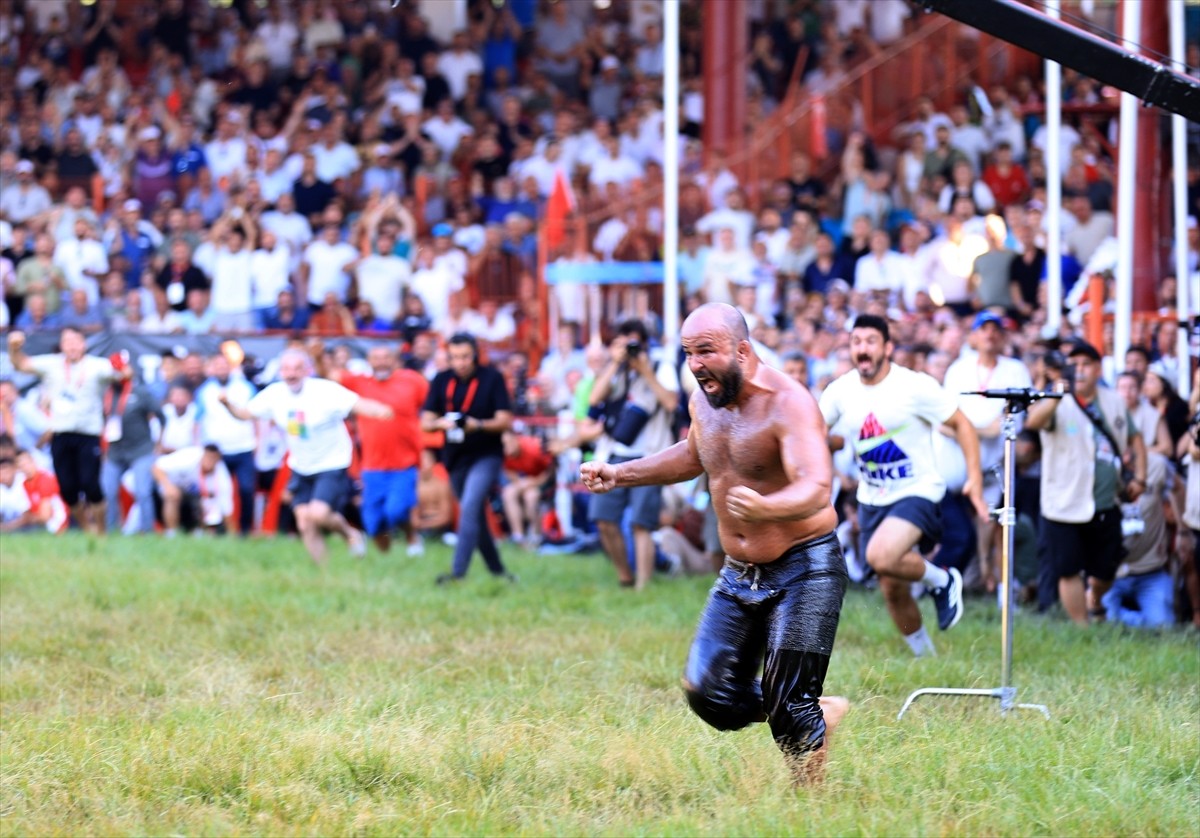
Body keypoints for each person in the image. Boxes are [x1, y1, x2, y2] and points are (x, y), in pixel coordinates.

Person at [581, 303, 849, 786]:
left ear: (742, 350)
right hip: (738, 572)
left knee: (789, 702)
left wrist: (766, 508)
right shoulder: (704, 401)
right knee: (710, 694)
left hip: (804, 566)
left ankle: (812, 804)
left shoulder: (789, 402)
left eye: (706, 351)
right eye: (688, 354)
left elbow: (815, 488)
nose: (696, 364)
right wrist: (620, 473)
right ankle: (813, 711)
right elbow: (692, 455)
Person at [818, 315, 987, 658]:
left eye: (870, 341)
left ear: (888, 348)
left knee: (880, 555)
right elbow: (814, 433)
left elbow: (963, 425)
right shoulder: (840, 391)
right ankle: (926, 657)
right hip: (871, 498)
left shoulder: (914, 386)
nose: (862, 348)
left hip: (918, 492)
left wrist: (975, 478)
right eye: (856, 341)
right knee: (892, 587)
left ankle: (943, 580)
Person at [216, 348, 393, 564]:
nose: (291, 374)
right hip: (301, 465)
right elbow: (245, 414)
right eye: (286, 369)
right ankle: (325, 573)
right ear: (280, 371)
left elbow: (358, 404)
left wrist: (380, 410)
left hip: (332, 463)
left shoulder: (324, 391)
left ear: (308, 370)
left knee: (318, 514)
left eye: (297, 368)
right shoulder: (274, 394)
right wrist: (227, 404)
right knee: (304, 521)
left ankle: (351, 534)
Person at [1025, 339, 1147, 624]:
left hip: (1106, 501)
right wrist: (1055, 395)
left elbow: (1135, 438)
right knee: (1067, 569)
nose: (1079, 370)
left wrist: (1140, 477)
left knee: (1107, 568)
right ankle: (1082, 629)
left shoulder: (1114, 400)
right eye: (1074, 364)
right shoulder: (1055, 399)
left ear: (1098, 369)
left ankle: (1095, 599)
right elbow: (1033, 422)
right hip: (1063, 503)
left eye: (1086, 364)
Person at [6, 328, 130, 533]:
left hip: (88, 434)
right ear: (62, 345)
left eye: (75, 340)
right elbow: (21, 364)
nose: (71, 345)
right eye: (67, 341)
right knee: (67, 489)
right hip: (60, 434)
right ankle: (87, 530)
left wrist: (122, 366)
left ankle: (101, 532)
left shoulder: (96, 365)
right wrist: (13, 348)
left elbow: (125, 375)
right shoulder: (52, 364)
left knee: (91, 485)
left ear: (83, 344)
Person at [586, 319, 680, 589]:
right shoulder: (616, 369)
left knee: (642, 522)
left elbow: (671, 402)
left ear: (645, 344)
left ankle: (643, 586)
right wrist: (615, 363)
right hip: (614, 453)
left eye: (633, 343)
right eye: (622, 343)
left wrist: (645, 371)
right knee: (603, 518)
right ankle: (625, 577)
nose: (628, 349)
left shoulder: (661, 366)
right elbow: (594, 399)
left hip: (650, 455)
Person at [943, 311, 1032, 593]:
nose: (990, 335)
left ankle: (988, 578)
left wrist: (971, 429)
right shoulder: (958, 369)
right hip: (957, 461)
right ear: (973, 336)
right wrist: (980, 431)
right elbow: (945, 419)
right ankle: (955, 580)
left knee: (991, 520)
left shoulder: (1016, 369)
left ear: (1004, 337)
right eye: (984, 329)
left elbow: (1015, 419)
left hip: (996, 461)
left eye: (996, 330)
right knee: (959, 527)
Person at [420, 332, 516, 584]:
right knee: (475, 517)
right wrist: (440, 423)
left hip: (486, 454)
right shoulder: (441, 379)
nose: (460, 362)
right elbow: (426, 421)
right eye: (455, 357)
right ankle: (498, 572)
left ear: (474, 355)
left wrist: (478, 425)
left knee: (471, 507)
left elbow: (505, 419)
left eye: (465, 357)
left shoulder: (492, 378)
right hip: (455, 458)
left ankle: (457, 573)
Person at [333, 345, 429, 554]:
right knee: (373, 522)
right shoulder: (359, 382)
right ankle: (385, 556)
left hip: (405, 464)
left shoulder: (412, 381)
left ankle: (412, 537)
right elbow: (330, 378)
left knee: (396, 510)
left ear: (394, 360)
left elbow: (432, 407)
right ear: (369, 361)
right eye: (376, 357)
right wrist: (317, 357)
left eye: (386, 357)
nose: (381, 362)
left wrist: (427, 449)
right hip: (372, 466)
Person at [99, 354, 163, 534]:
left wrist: (159, 443)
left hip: (141, 450)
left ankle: (147, 531)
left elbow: (161, 416)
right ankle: (111, 531)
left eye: (121, 369)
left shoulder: (140, 392)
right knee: (107, 490)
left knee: (143, 492)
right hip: (115, 451)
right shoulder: (106, 393)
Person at [152, 444, 234, 536]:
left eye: (213, 459)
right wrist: (168, 486)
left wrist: (231, 533)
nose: (210, 462)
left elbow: (225, 505)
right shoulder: (189, 457)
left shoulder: (221, 474)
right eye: (208, 458)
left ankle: (200, 531)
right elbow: (157, 467)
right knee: (171, 495)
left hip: (195, 495)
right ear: (203, 455)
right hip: (174, 484)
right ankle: (172, 533)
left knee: (209, 502)